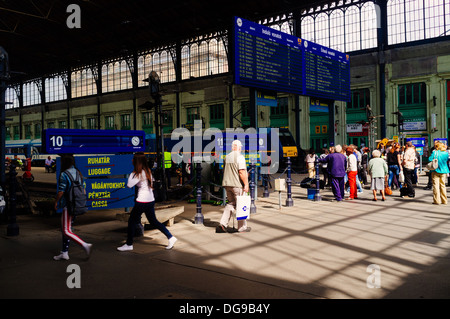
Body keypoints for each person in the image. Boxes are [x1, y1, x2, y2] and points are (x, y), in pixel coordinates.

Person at [117, 152, 177, 251]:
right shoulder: (147, 170)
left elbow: (129, 184)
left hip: (142, 201)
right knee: (154, 221)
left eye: (133, 159)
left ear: (137, 161)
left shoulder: (138, 173)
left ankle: (129, 244)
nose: (132, 160)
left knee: (132, 221)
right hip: (150, 200)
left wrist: (132, 173)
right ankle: (171, 237)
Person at [53, 154, 92, 261]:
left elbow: (61, 191)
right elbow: (83, 189)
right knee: (68, 228)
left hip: (68, 205)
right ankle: (64, 252)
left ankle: (85, 245)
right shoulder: (79, 173)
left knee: (66, 230)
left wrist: (56, 202)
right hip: (77, 204)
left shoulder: (64, 174)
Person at [217, 140, 250, 233]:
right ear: (239, 147)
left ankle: (223, 224)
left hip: (227, 185)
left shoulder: (226, 157)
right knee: (241, 205)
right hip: (237, 185)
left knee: (231, 203)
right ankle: (241, 227)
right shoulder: (240, 157)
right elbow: (242, 172)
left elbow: (225, 171)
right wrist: (246, 184)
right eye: (241, 147)